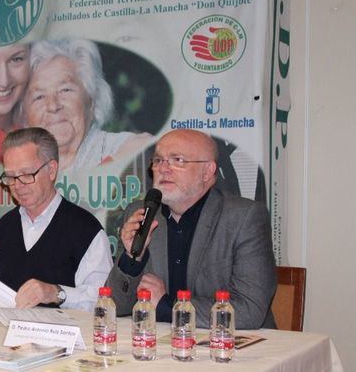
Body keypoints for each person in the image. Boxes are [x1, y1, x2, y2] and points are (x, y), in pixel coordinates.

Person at [106, 129, 276, 329]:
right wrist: (132, 258)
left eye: (177, 160)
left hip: (231, 347)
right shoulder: (142, 214)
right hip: (159, 346)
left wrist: (168, 307)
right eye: (158, 161)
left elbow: (249, 310)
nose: (163, 169)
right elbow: (115, 306)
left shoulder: (243, 217)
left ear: (208, 171)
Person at [0, 127, 113, 311]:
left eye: (27, 174)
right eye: (11, 177)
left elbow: (103, 301)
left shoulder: (86, 230)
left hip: (65, 336)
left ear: (51, 170)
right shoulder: (4, 228)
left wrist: (56, 293)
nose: (18, 186)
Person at [21, 38, 150, 171]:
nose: (53, 106)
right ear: (25, 116)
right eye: (39, 97)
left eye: (65, 90)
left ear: (92, 99)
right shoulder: (19, 171)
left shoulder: (125, 149)